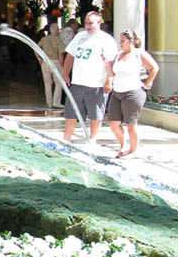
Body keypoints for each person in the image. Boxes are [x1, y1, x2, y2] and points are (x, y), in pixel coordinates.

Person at [62, 10, 117, 144]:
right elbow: (70, 55)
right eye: (86, 23)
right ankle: (66, 139)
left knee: (95, 114)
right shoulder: (80, 36)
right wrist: (65, 74)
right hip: (77, 83)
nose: (88, 26)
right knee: (71, 113)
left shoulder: (106, 40)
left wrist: (109, 81)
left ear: (99, 23)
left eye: (91, 23)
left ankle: (92, 139)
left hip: (96, 84)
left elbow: (111, 62)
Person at [107, 30, 159, 159]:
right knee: (114, 122)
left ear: (131, 42)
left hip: (133, 92)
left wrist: (147, 83)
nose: (121, 43)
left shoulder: (138, 54)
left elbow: (154, 68)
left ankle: (133, 150)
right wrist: (107, 67)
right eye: (120, 40)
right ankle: (123, 145)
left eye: (123, 41)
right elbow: (113, 73)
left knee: (131, 123)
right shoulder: (118, 55)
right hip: (117, 92)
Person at [38, 21, 64, 109]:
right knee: (59, 83)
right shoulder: (58, 39)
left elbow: (36, 48)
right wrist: (62, 64)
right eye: (58, 29)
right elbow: (61, 53)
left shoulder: (44, 39)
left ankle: (49, 103)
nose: (59, 31)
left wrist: (39, 58)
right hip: (55, 62)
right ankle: (56, 102)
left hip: (45, 62)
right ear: (56, 30)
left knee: (47, 84)